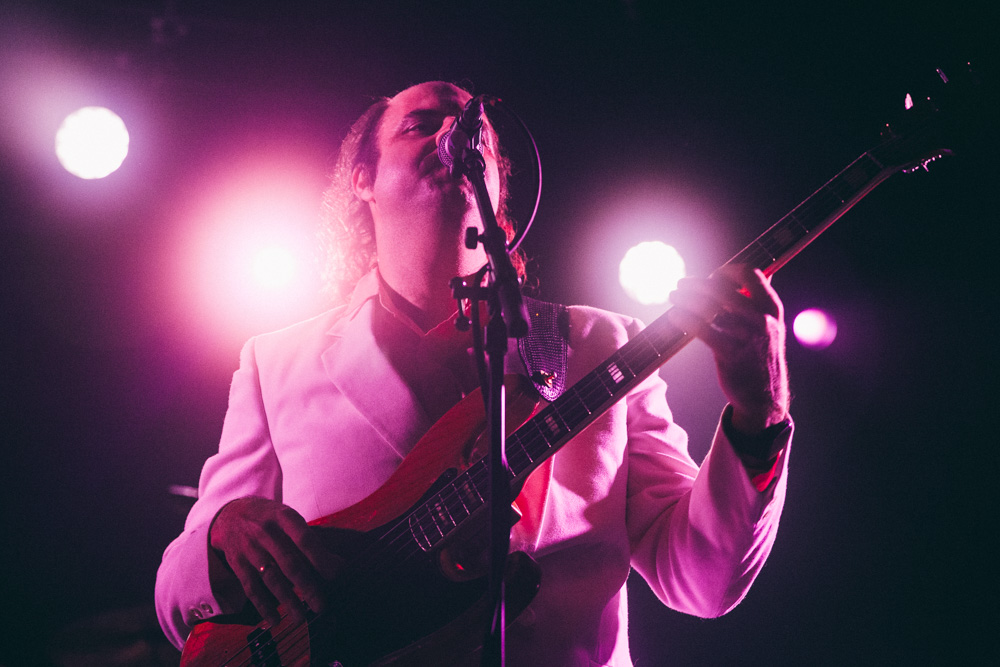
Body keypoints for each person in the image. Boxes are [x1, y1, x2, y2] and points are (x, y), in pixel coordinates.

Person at [155, 81, 792, 666]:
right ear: (362, 181)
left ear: (497, 189)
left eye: (473, 130)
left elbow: (703, 580)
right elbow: (177, 597)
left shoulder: (601, 343)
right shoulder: (275, 362)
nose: (454, 137)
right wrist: (221, 536)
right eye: (420, 125)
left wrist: (759, 411)